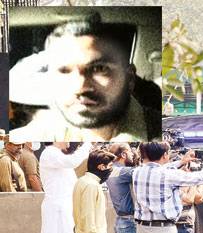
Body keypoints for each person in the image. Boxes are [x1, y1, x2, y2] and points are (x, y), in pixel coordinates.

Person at [8, 15, 160, 141]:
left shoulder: (166, 132)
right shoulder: (38, 134)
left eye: (99, 69)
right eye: (64, 70)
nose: (80, 86)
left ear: (130, 79)